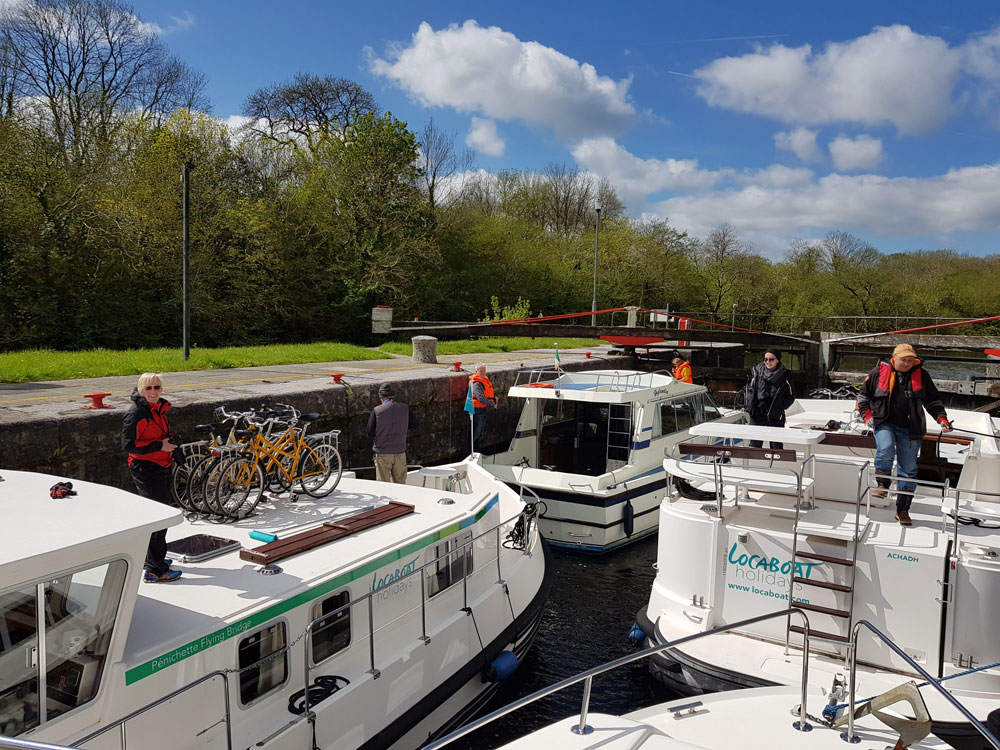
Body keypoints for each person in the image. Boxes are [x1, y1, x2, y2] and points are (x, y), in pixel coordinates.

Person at [857, 343, 951, 526]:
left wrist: (942, 419)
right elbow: (863, 397)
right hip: (884, 422)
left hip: (911, 428)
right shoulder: (878, 372)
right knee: (884, 448)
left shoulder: (922, 376)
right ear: (894, 357)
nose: (907, 363)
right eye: (904, 359)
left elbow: (933, 401)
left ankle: (903, 509)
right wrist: (867, 416)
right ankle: (883, 484)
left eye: (910, 360)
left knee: (908, 470)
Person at [122, 373, 181, 583]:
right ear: (140, 390)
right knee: (159, 517)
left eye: (157, 387)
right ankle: (156, 571)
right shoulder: (137, 413)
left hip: (161, 464)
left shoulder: (158, 410)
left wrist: (167, 444)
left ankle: (151, 560)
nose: (154, 392)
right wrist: (160, 446)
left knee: (159, 513)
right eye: (148, 388)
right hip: (146, 468)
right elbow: (127, 445)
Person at [745, 349, 795, 448]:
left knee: (776, 445)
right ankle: (755, 463)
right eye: (765, 359)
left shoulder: (785, 374)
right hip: (757, 412)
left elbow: (791, 395)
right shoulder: (756, 372)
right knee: (755, 445)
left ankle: (776, 463)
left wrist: (781, 406)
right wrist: (749, 405)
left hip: (775, 414)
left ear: (778, 360)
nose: (768, 362)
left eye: (771, 359)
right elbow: (750, 389)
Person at [368, 383, 413, 483]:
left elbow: (370, 431)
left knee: (383, 484)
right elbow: (414, 424)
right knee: (400, 483)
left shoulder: (377, 411)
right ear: (392, 395)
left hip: (382, 452)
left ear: (382, 398)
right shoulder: (405, 408)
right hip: (400, 452)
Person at [469, 363, 497, 451]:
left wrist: (494, 399)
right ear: (476, 372)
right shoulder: (477, 383)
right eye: (480, 371)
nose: (483, 373)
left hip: (482, 409)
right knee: (476, 432)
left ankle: (477, 450)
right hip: (477, 410)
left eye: (484, 371)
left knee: (480, 431)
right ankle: (472, 451)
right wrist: (493, 404)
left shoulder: (484, 380)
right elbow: (480, 397)